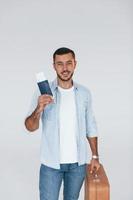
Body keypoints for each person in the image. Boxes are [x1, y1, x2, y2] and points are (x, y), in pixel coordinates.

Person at [25, 47, 100, 200]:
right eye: (60, 64)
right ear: (54, 66)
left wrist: (95, 156)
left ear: (75, 64)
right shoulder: (43, 93)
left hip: (77, 165)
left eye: (68, 63)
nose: (64, 68)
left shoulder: (84, 93)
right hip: (51, 165)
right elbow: (30, 127)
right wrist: (39, 109)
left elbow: (90, 126)